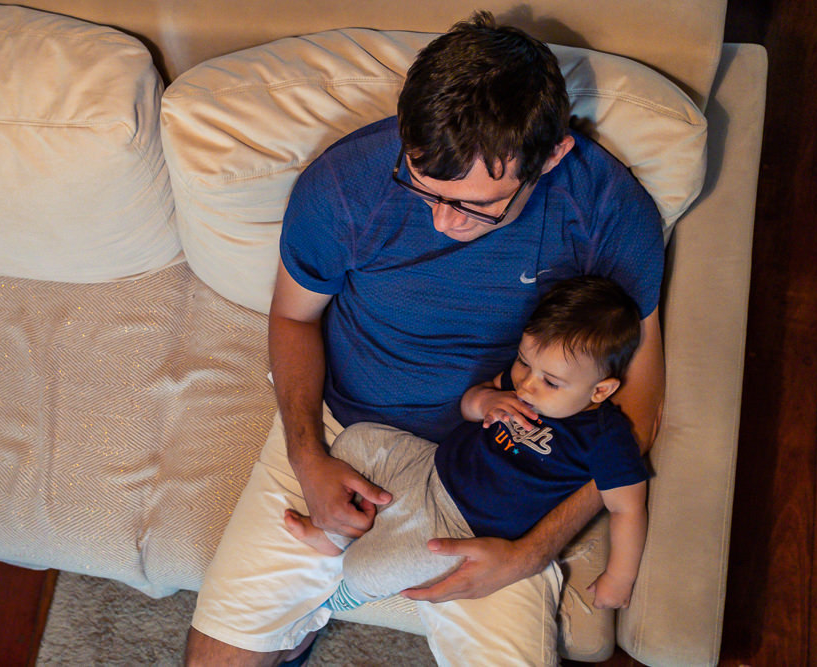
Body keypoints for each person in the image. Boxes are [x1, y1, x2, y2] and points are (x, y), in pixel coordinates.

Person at [186, 10, 665, 666]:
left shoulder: (607, 209)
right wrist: (307, 457)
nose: (442, 221)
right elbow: (293, 318)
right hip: (346, 428)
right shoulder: (347, 185)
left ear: (549, 158)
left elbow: (637, 400)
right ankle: (298, 618)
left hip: (507, 471)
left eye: (475, 204)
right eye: (422, 185)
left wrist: (533, 550)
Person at [285, 275, 649, 614]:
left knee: (364, 571)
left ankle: (341, 600)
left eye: (550, 382)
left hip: (462, 527)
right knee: (360, 438)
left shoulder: (606, 437)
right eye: (524, 362)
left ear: (600, 389)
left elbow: (627, 509)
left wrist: (620, 578)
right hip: (430, 465)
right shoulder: (518, 381)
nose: (526, 386)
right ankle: (332, 535)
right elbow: (469, 405)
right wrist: (486, 402)